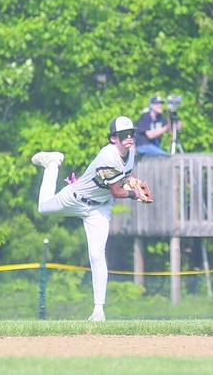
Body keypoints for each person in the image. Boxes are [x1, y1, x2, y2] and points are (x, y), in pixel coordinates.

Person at [31, 116, 143, 322]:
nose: (129, 137)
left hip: (99, 209)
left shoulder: (131, 152)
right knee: (43, 208)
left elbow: (123, 177)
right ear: (113, 138)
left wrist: (132, 181)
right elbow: (117, 191)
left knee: (97, 254)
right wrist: (134, 194)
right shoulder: (108, 156)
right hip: (75, 198)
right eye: (124, 135)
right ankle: (52, 165)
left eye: (131, 133)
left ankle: (98, 311)